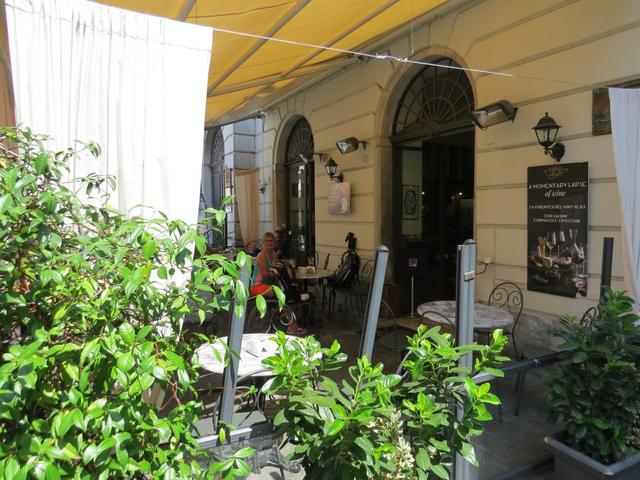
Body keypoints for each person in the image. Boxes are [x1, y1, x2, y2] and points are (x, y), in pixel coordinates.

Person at [250, 232, 306, 334]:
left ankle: (281, 314)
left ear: (275, 242)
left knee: (287, 291)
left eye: (271, 240)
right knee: (280, 294)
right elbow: (266, 275)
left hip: (269, 284)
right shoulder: (261, 255)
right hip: (257, 285)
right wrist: (275, 271)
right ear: (263, 243)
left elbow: (276, 272)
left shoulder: (274, 254)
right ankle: (291, 325)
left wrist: (281, 266)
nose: (269, 243)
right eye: (266, 241)